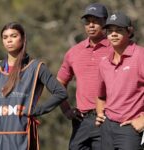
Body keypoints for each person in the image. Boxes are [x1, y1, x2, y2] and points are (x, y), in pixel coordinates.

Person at [0, 22, 68, 150]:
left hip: (22, 138)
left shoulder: (36, 67)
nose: (9, 40)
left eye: (13, 36)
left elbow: (61, 93)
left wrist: (36, 110)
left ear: (22, 38)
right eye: (5, 37)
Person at [57, 3, 110, 150]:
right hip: (82, 120)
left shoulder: (115, 49)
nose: (91, 25)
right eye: (88, 22)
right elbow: (60, 83)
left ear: (105, 22)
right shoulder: (74, 52)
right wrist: (66, 109)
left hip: (107, 119)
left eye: (96, 21)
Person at [96, 12, 144, 150]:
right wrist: (100, 113)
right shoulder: (104, 62)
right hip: (107, 128)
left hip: (130, 129)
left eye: (119, 30)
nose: (114, 34)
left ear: (129, 32)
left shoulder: (140, 56)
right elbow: (100, 95)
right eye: (110, 31)